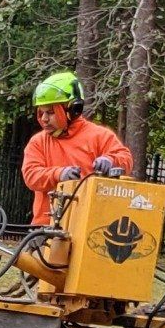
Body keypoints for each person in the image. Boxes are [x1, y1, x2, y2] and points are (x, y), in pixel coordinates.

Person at [21, 71, 135, 225]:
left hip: (90, 223)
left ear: (73, 110)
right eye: (41, 113)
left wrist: (111, 160)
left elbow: (125, 158)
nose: (44, 119)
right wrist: (59, 174)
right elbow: (31, 175)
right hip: (47, 225)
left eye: (50, 112)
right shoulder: (38, 142)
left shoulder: (99, 136)